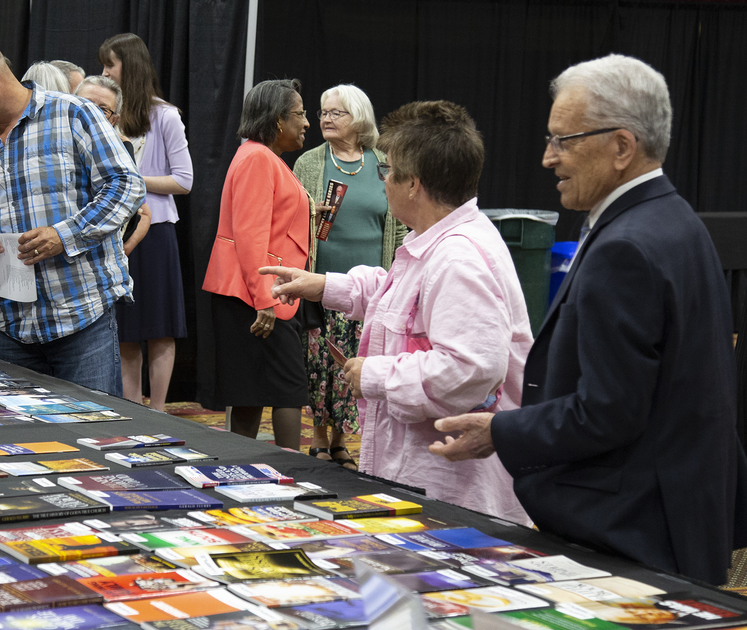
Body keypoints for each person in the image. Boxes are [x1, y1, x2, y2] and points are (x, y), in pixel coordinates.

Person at [430, 54, 747, 583]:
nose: (547, 159)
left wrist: (501, 431)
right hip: (675, 519)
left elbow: (609, 410)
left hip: (632, 533)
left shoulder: (628, 246)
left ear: (621, 147)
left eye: (562, 140)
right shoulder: (675, 221)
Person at [263, 100, 532, 524]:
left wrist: (374, 375)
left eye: (388, 171)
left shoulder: (459, 259)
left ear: (414, 185)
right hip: (424, 478)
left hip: (447, 493)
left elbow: (470, 369)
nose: (382, 180)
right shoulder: (438, 240)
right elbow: (404, 302)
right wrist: (324, 285)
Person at [0, 29, 145, 396]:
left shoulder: (74, 116)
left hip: (82, 320)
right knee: (20, 444)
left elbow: (126, 186)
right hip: (12, 328)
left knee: (93, 437)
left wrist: (64, 235)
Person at [292, 84, 408, 471]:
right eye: (323, 112)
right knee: (320, 364)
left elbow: (400, 223)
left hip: (372, 287)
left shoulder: (383, 161)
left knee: (358, 362)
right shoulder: (310, 163)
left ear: (358, 117)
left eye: (335, 112)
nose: (325, 118)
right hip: (322, 284)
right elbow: (290, 221)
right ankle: (321, 439)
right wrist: (309, 214)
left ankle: (342, 441)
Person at [202, 78, 312, 450]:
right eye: (300, 114)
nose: (307, 122)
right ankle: (292, 470)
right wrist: (264, 298)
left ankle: (240, 469)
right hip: (258, 294)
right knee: (288, 389)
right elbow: (249, 235)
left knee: (251, 390)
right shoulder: (258, 158)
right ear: (278, 120)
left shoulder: (260, 156)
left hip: (261, 289)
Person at [99, 33, 193, 412]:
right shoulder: (104, 114)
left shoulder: (165, 116)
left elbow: (183, 181)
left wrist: (133, 181)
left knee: (159, 327)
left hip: (155, 235)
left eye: (110, 65)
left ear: (130, 68)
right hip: (115, 231)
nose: (104, 72)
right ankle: (132, 408)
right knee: (126, 330)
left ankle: (158, 413)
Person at [75, 75, 152, 255]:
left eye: (102, 109)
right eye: (85, 103)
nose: (91, 112)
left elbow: (143, 213)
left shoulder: (121, 153)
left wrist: (124, 249)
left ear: (113, 120)